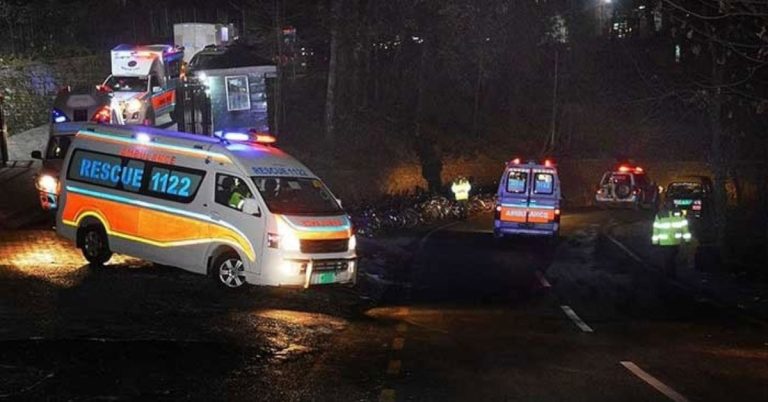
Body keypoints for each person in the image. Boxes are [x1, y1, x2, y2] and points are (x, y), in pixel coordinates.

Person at [652, 203, 692, 278]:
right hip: (676, 241)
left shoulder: (660, 215)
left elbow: (656, 229)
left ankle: (668, 276)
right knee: (672, 258)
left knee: (667, 259)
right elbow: (685, 227)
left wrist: (655, 242)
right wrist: (687, 240)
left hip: (664, 242)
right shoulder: (679, 214)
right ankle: (672, 275)